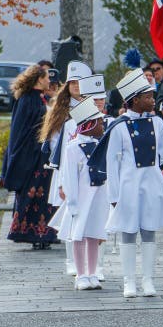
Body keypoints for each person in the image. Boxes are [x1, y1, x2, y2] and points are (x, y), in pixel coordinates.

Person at [90, 68, 163, 298]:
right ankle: (129, 281)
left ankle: (148, 280)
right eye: (148, 97)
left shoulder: (157, 122)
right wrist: (114, 196)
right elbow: (111, 163)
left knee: (149, 230)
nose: (153, 100)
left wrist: (156, 180)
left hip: (151, 184)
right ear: (135, 100)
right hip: (128, 185)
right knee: (128, 231)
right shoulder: (119, 125)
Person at [40, 60, 91, 271]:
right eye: (73, 83)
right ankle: (71, 259)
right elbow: (54, 140)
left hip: (88, 168)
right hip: (66, 167)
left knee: (89, 213)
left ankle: (90, 261)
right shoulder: (60, 110)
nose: (77, 86)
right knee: (69, 212)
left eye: (80, 82)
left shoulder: (92, 106)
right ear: (67, 85)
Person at [54, 98, 108, 291]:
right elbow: (69, 177)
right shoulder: (73, 147)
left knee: (94, 234)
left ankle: (92, 272)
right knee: (78, 235)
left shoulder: (101, 145)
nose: (103, 125)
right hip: (81, 198)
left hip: (99, 196)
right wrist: (73, 202)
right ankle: (81, 274)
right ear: (90, 124)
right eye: (100, 122)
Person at [3, 64, 57, 249]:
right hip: (32, 157)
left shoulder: (40, 99)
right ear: (39, 79)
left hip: (42, 156)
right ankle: (34, 234)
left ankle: (44, 234)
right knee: (33, 195)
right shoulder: (27, 100)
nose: (49, 80)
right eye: (47, 77)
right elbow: (20, 131)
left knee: (44, 196)